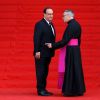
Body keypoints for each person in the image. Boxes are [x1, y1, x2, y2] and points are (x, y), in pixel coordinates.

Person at [45, 9, 86, 96]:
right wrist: (76, 48)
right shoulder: (77, 24)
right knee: (76, 69)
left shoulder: (70, 26)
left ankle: (70, 91)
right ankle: (78, 90)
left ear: (68, 16)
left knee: (70, 69)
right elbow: (79, 40)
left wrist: (53, 45)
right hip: (76, 49)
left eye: (63, 16)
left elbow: (65, 41)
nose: (62, 18)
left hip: (71, 50)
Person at [33, 7, 56, 96]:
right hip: (41, 53)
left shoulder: (51, 24)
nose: (51, 15)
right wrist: (37, 51)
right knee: (40, 71)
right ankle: (40, 90)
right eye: (49, 14)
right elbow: (36, 38)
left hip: (48, 53)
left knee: (45, 71)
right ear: (44, 14)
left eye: (52, 14)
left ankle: (44, 89)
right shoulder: (39, 24)